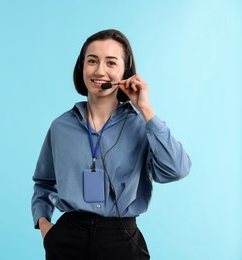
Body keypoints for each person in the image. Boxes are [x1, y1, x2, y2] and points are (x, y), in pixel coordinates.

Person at [31, 29, 191, 260]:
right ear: (81, 67)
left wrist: (146, 109)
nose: (99, 71)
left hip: (122, 239)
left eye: (111, 63)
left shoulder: (141, 125)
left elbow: (176, 170)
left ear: (125, 72)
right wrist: (45, 225)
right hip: (69, 239)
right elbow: (44, 182)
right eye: (92, 61)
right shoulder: (60, 126)